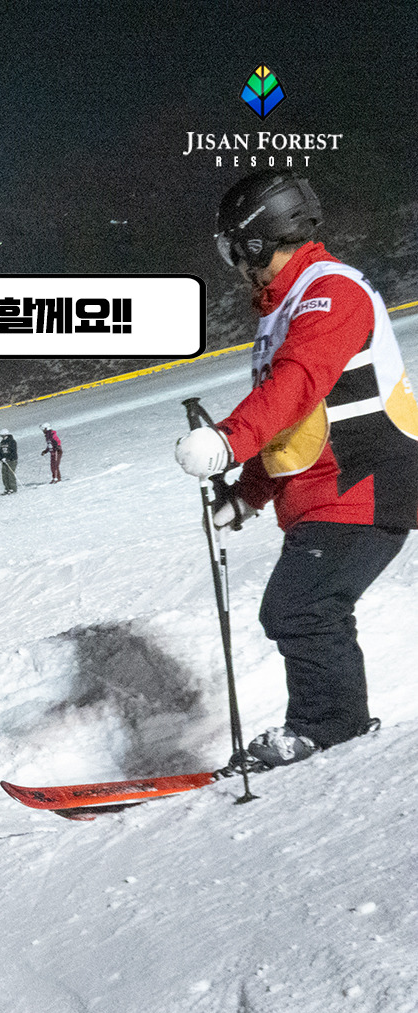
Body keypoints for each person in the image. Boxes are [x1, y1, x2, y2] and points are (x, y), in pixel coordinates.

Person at [175, 170, 418, 768]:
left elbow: (298, 383)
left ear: (257, 241)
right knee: (304, 607)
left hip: (365, 483)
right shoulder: (283, 307)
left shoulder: (331, 290)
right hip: (322, 491)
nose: (235, 264)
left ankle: (329, 731)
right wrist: (248, 494)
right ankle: (334, 727)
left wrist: (227, 440)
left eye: (235, 248)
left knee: (301, 608)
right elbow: (294, 420)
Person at [0, 430, 18, 494]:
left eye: (2, 435)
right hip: (4, 461)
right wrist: (1, 458)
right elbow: (1, 451)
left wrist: (8, 458)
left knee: (10, 474)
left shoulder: (12, 441)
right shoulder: (2, 442)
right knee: (4, 475)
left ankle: (13, 489)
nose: (1, 436)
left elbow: (13, 451)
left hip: (11, 461)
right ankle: (7, 488)